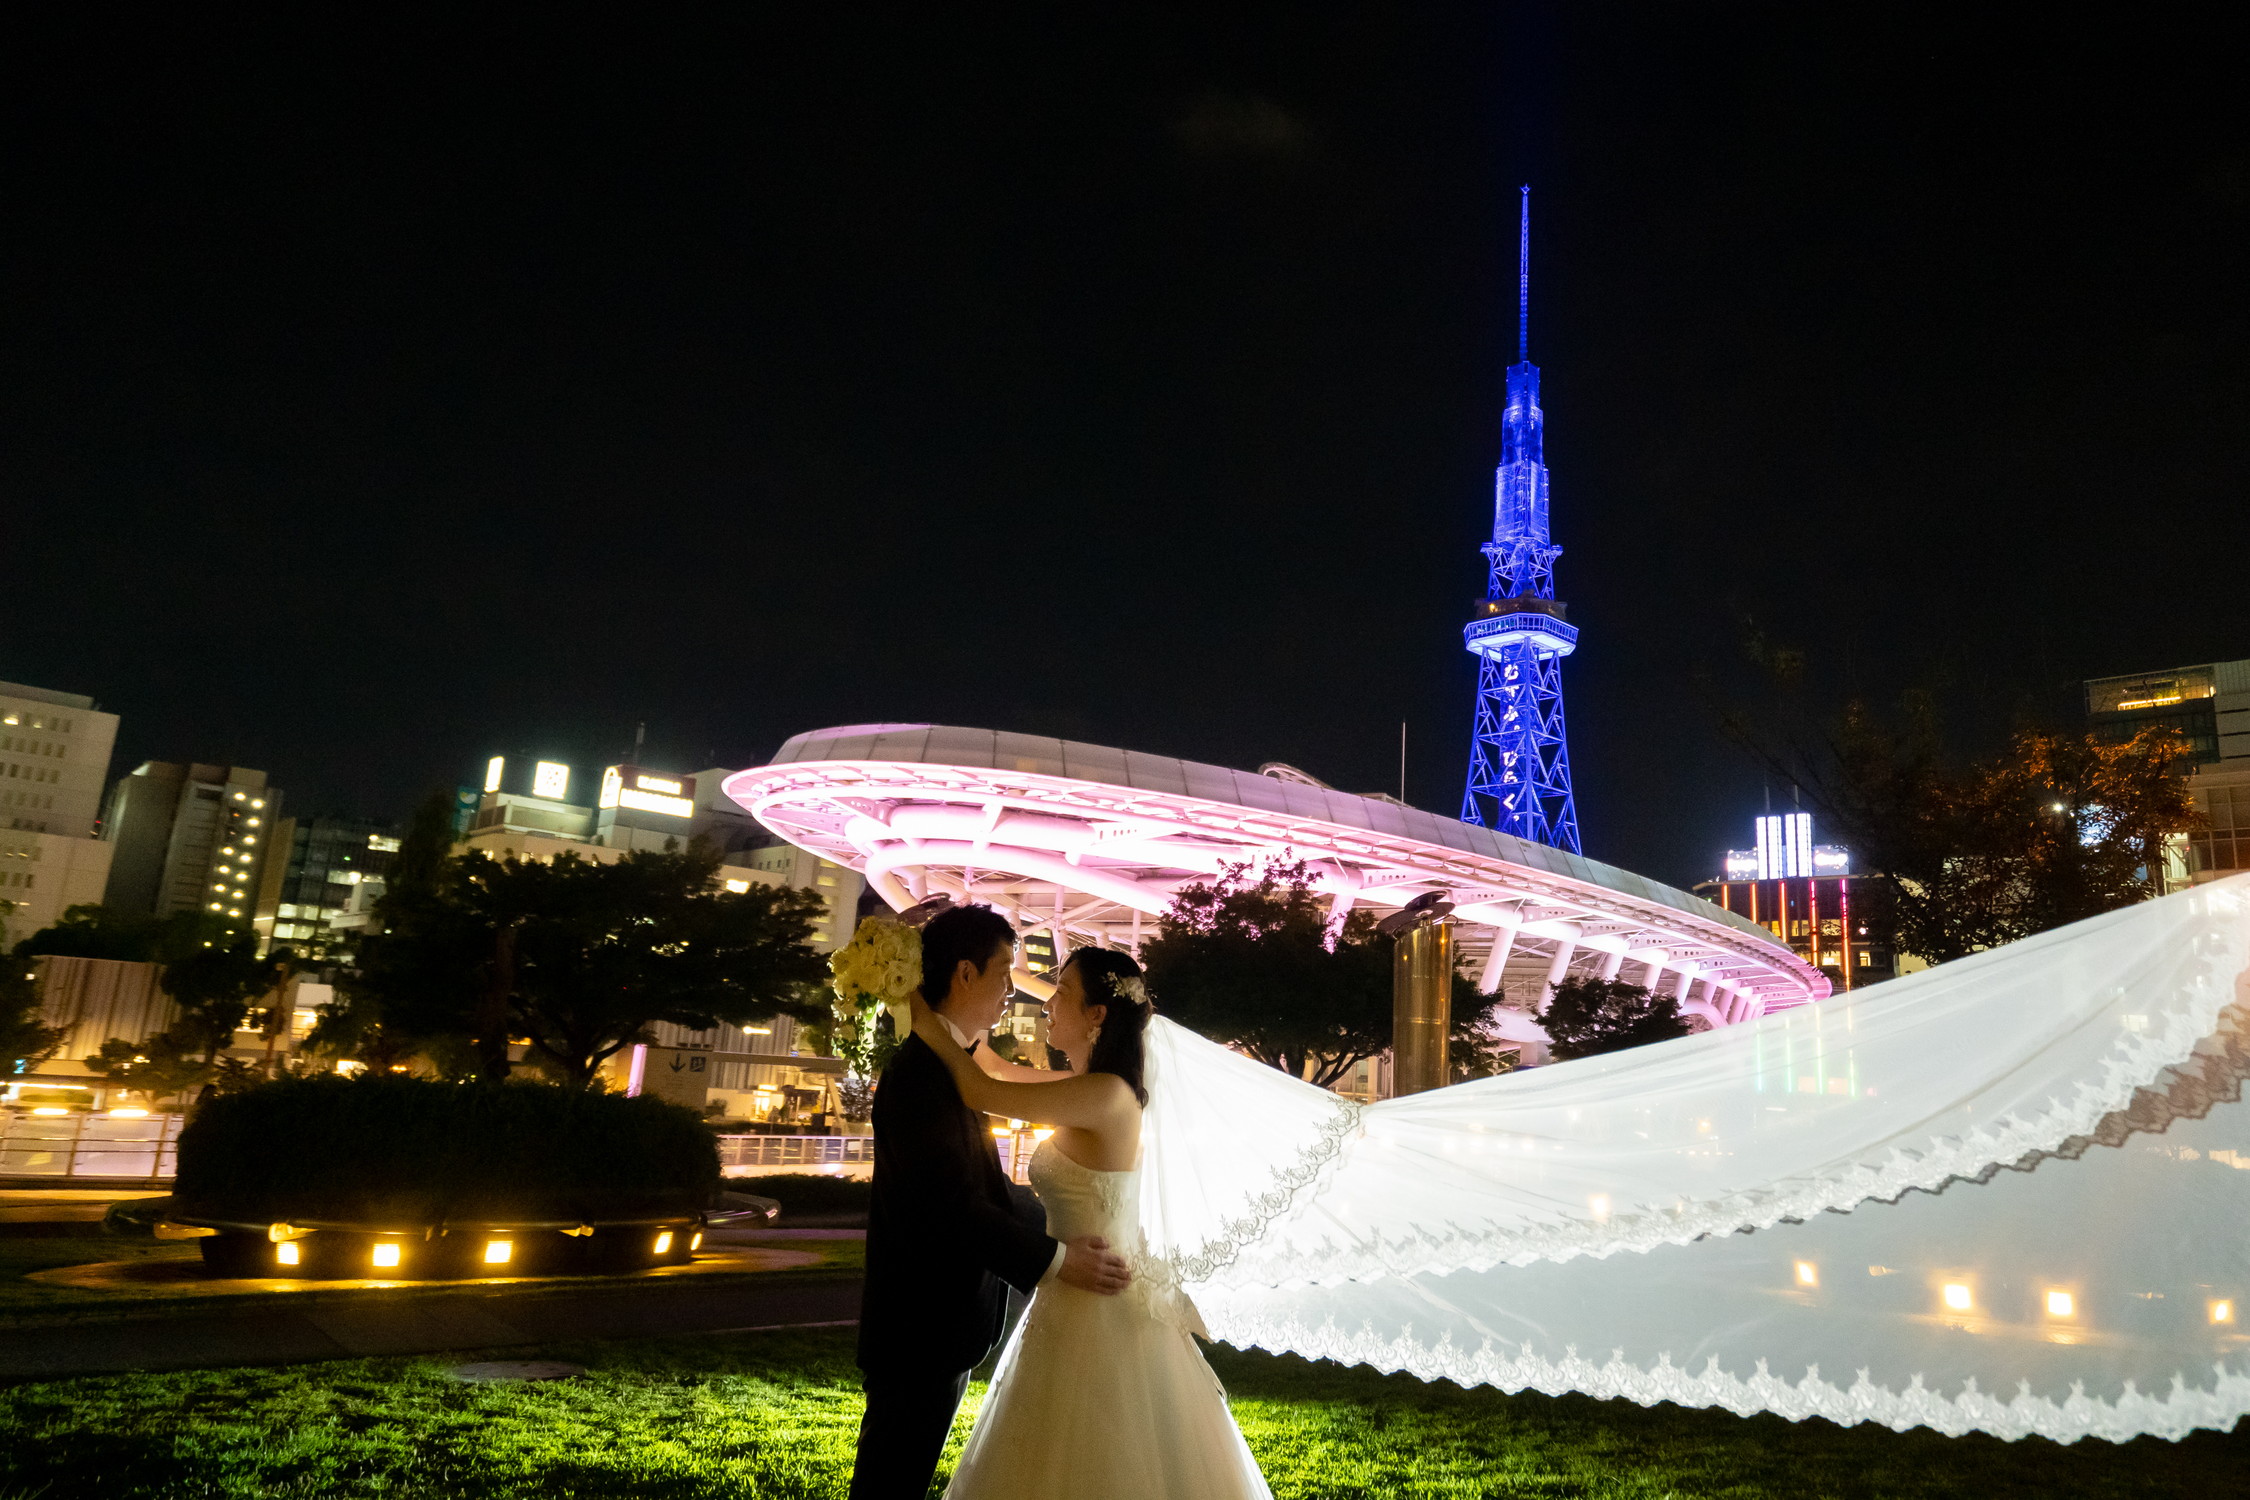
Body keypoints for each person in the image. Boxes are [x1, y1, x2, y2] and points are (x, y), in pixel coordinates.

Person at [908, 942, 1275, 1500]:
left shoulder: (1106, 1095)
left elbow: (979, 1089)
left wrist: (918, 1010)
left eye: (1063, 993)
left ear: (1097, 1015)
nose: (1049, 1003)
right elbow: (992, 1068)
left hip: (1103, 1302)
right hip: (1070, 1292)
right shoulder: (1084, 1089)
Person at [851, 903, 1134, 1500]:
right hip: (918, 1328)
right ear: (964, 974)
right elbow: (950, 1206)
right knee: (889, 1482)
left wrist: (1056, 1246)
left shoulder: (948, 1067)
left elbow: (990, 1188)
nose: (1019, 991)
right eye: (1007, 971)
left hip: (947, 1327)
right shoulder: (923, 1076)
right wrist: (1055, 1257)